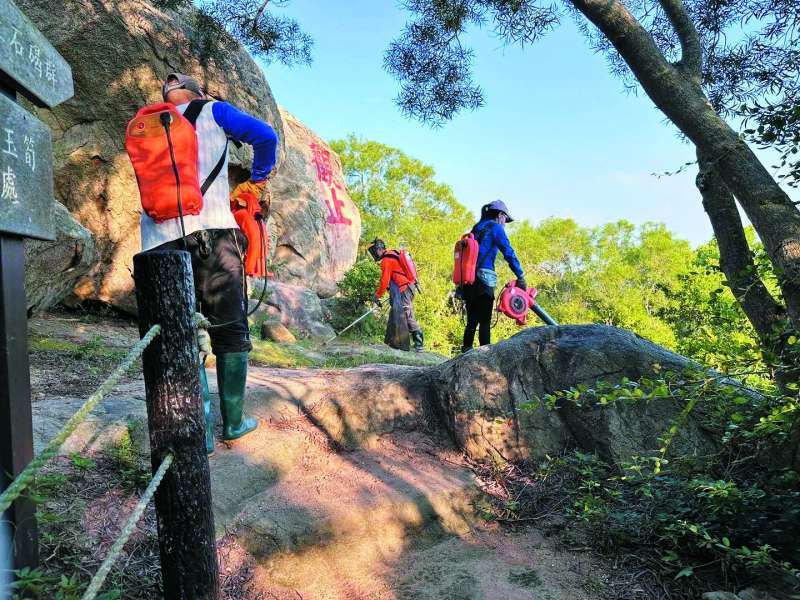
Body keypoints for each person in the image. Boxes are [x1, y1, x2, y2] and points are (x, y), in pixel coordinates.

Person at [139, 73, 279, 455]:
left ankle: (198, 432)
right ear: (197, 92)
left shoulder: (147, 122)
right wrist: (257, 181)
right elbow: (266, 137)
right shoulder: (214, 111)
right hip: (213, 234)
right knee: (230, 331)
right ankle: (233, 422)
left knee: (179, 335)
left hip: (158, 245)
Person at [460, 200, 526, 353]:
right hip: (484, 278)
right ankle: (486, 357)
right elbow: (508, 252)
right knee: (485, 321)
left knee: (471, 321)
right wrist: (520, 275)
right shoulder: (496, 228)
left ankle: (465, 350)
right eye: (505, 219)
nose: (505, 223)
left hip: (468, 278)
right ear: (500, 215)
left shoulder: (476, 228)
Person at [369, 239, 424, 352]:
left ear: (379, 249)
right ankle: (394, 341)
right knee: (396, 313)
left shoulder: (386, 260)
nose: (374, 254)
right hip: (407, 288)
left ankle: (419, 343)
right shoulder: (393, 254)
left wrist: (377, 295)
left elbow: (384, 281)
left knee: (407, 315)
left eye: (375, 251)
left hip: (405, 289)